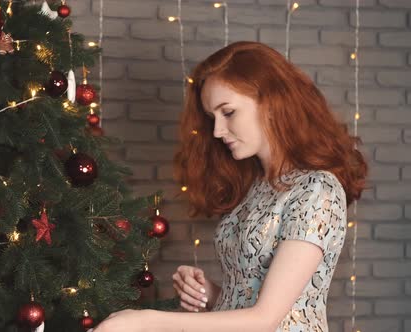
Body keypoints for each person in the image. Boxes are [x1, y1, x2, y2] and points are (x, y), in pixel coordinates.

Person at [93, 41, 367, 331]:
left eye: (229, 112)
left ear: (272, 103)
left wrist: (145, 320)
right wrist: (212, 295)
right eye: (212, 118)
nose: (217, 131)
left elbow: (265, 319)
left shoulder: (317, 189)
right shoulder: (256, 186)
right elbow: (255, 301)